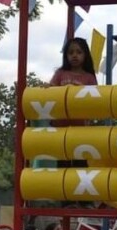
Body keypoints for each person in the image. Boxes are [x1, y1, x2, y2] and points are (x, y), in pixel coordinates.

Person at [49, 37, 97, 169]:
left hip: (80, 128)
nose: (74, 55)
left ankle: (80, 189)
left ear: (85, 55)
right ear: (66, 56)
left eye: (79, 52)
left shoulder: (89, 78)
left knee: (79, 162)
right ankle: (63, 188)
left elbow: (96, 100)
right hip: (61, 127)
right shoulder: (60, 74)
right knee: (62, 162)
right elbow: (51, 92)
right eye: (71, 53)